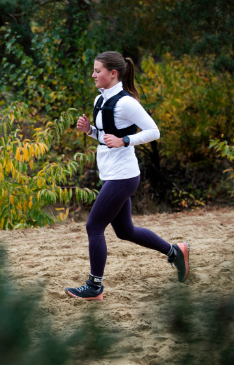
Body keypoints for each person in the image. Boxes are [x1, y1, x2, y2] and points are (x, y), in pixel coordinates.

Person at [65, 51, 190, 301]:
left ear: (113, 73)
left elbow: (154, 131)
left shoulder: (126, 102)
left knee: (94, 226)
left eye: (97, 70)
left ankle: (94, 286)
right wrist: (89, 130)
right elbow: (106, 138)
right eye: (93, 70)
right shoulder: (100, 100)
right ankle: (176, 252)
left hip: (123, 176)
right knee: (125, 231)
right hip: (111, 173)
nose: (93, 75)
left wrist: (125, 140)